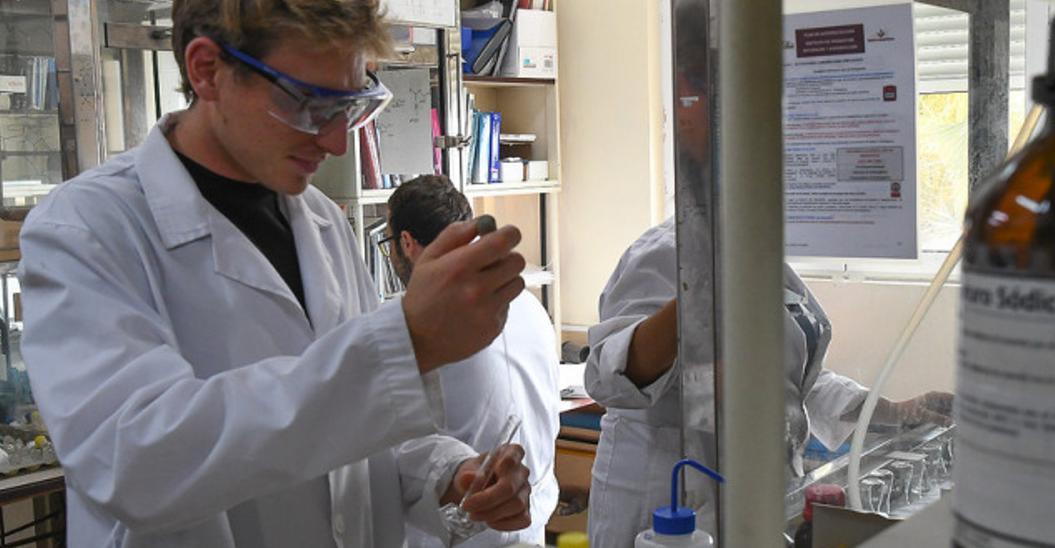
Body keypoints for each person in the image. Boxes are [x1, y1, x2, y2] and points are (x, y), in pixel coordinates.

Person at [17, 1, 533, 546]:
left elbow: (358, 432)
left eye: (351, 106)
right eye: (308, 103)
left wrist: (451, 473)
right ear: (207, 70)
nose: (336, 141)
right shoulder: (85, 229)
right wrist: (408, 342)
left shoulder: (321, 222)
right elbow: (136, 464)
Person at [584, 218, 952, 546]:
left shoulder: (755, 247)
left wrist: (890, 411)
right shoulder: (666, 251)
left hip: (750, 484)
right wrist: (695, 300)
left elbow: (789, 376)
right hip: (669, 493)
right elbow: (610, 374)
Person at [385, 176, 561, 547]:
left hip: (463, 528)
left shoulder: (414, 326)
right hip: (528, 520)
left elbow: (384, 451)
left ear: (406, 244)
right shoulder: (529, 304)